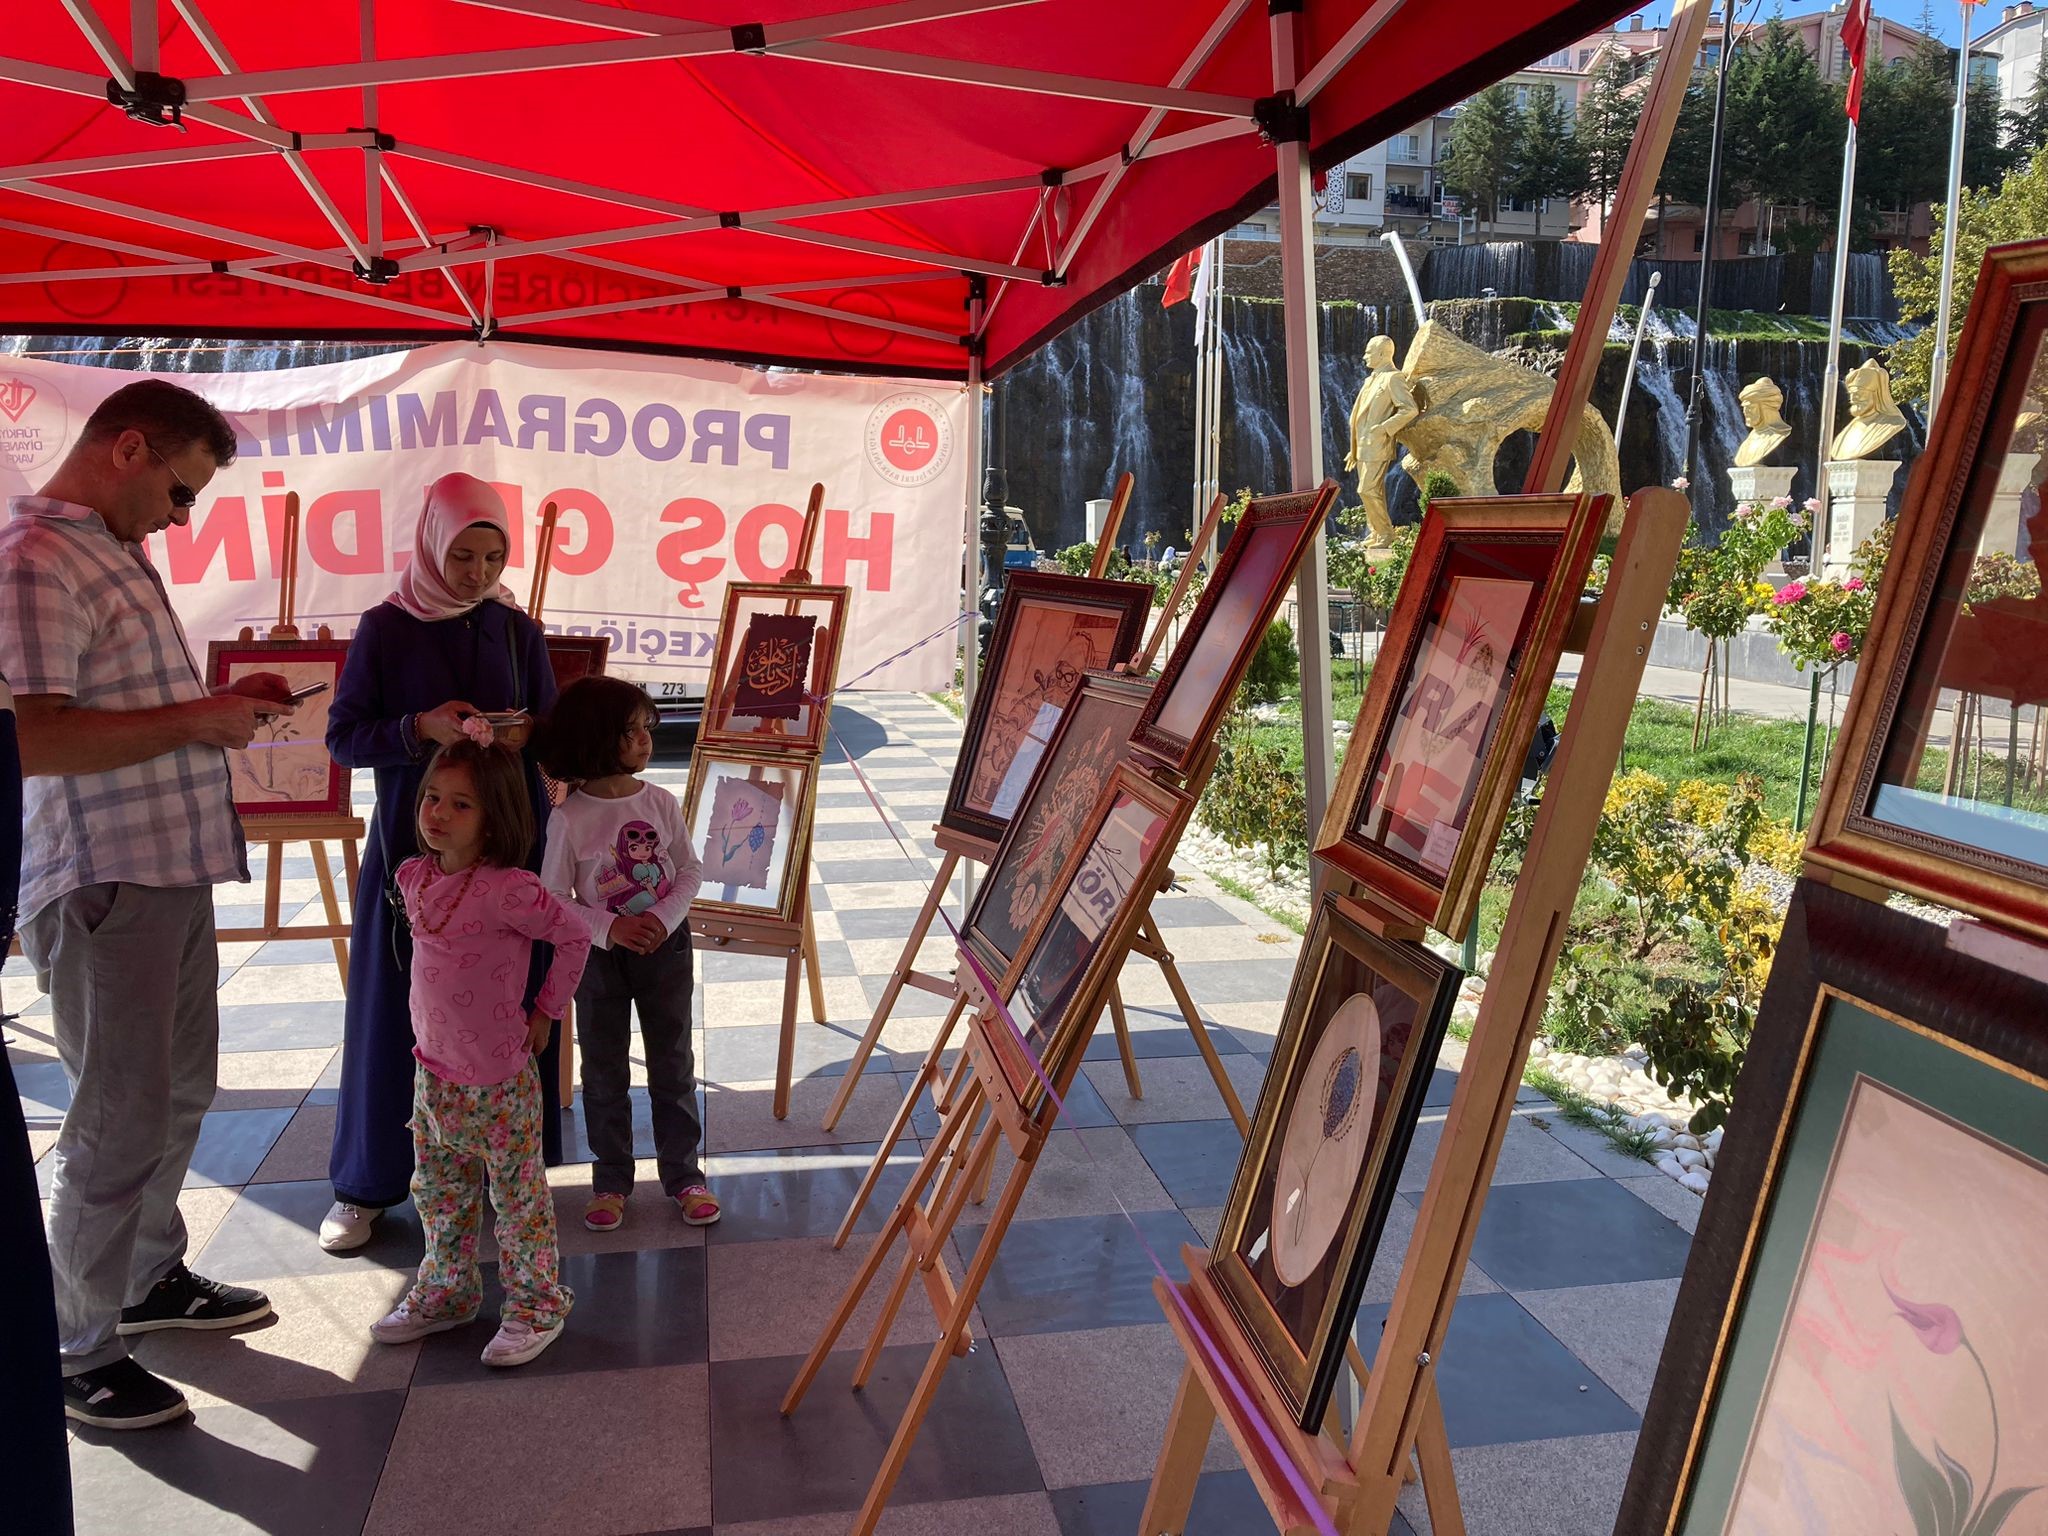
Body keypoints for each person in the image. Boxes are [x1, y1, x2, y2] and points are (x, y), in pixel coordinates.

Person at [0, 379, 290, 1429]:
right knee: (115, 1119)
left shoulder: (108, 551)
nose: (181, 517)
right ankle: (78, 1348)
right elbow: (34, 740)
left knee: (175, 1095)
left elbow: (124, 709)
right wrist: (196, 722)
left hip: (164, 869)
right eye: (180, 492)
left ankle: (144, 1281)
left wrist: (211, 711)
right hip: (106, 878)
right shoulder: (35, 559)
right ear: (129, 448)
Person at [322, 473, 559, 1252]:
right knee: (402, 1005)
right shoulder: (386, 627)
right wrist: (416, 728)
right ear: (431, 542)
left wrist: (523, 736)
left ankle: (506, 1175)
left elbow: (550, 729)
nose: (478, 574)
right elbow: (343, 737)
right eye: (463, 555)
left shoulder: (513, 629)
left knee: (502, 1006)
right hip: (412, 851)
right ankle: (367, 1185)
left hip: (505, 851)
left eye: (493, 556)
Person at [367, 737, 590, 1366]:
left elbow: (574, 936)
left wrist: (547, 1009)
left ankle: (535, 1304)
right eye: (433, 797)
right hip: (432, 1072)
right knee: (438, 1192)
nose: (436, 813)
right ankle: (447, 1290)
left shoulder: (509, 889)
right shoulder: (414, 877)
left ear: (495, 815)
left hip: (499, 1078)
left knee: (516, 1200)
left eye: (460, 804)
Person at [533, 678, 715, 1231]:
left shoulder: (660, 801)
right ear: (595, 737)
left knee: (672, 1062)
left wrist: (659, 920)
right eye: (631, 729)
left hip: (665, 949)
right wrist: (611, 928)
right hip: (598, 958)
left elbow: (689, 870)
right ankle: (611, 1177)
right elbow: (553, 898)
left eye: (646, 728)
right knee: (605, 1068)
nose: (645, 739)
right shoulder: (568, 817)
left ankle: (683, 1174)